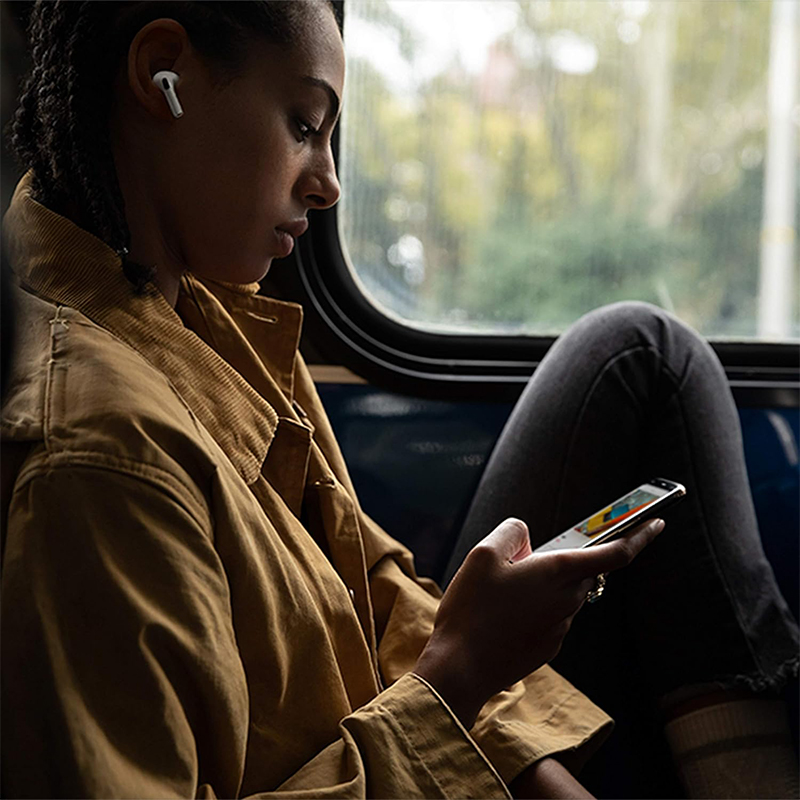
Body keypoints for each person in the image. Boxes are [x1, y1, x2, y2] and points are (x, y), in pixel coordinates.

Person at [0, 2, 796, 798]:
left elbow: (370, 585)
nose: (329, 182)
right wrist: (458, 678)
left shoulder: (201, 300)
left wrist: (537, 770)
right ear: (161, 74)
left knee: (641, 357)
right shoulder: (99, 461)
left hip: (406, 731)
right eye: (304, 124)